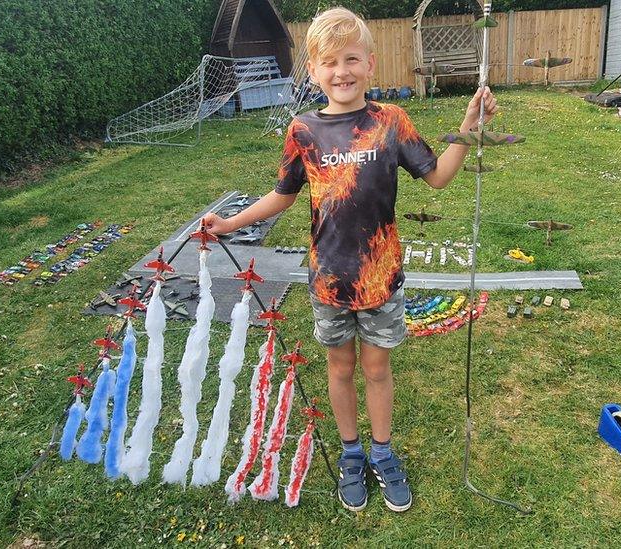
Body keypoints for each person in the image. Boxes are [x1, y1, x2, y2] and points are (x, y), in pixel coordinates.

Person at [203, 7, 496, 512]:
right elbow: (282, 195)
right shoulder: (303, 130)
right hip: (330, 280)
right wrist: (230, 224)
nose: (342, 71)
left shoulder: (391, 122)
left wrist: (468, 126)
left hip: (380, 278)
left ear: (371, 64)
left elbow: (439, 176)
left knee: (377, 369)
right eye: (330, 62)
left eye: (352, 59)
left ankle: (383, 453)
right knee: (341, 367)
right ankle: (352, 453)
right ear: (314, 71)